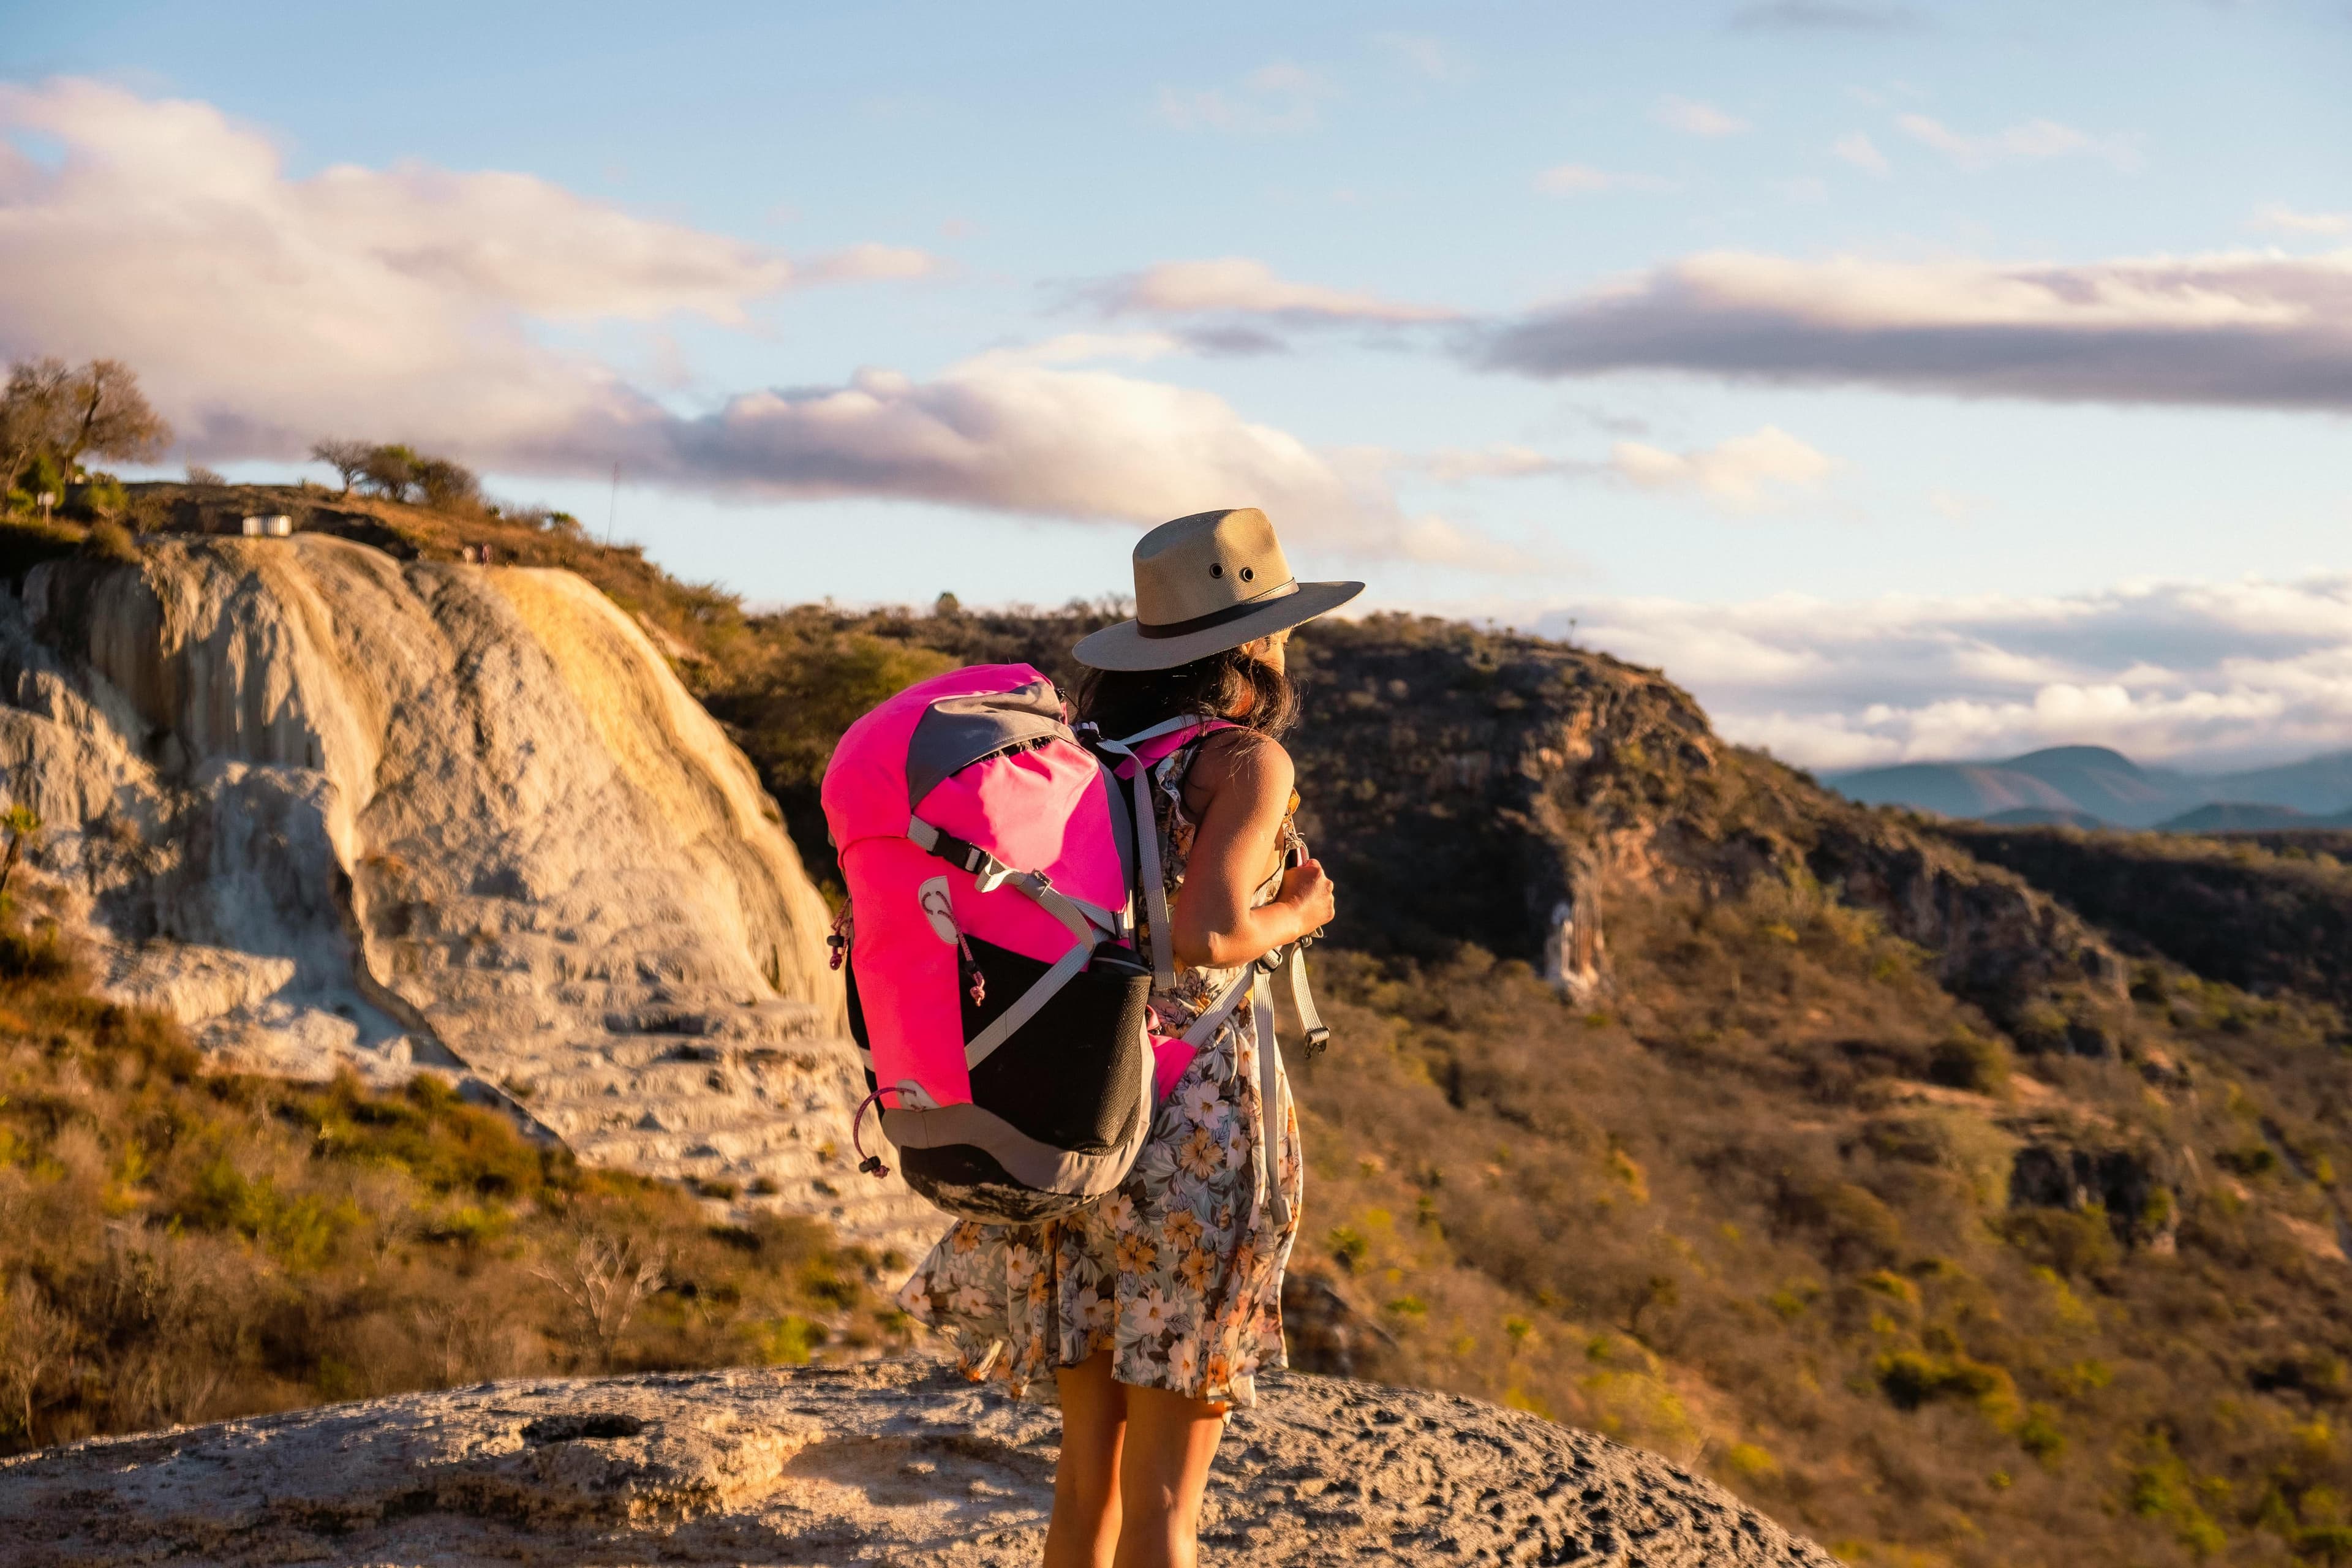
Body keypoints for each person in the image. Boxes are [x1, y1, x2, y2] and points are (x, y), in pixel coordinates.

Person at [898, 507, 1363, 1568]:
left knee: (1084, 1487)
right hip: (1196, 1131)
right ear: (1248, 647)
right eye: (1280, 629)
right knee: (1167, 1510)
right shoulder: (1245, 758)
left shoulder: (1083, 752)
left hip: (1083, 1107)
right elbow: (1207, 935)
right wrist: (1305, 912)